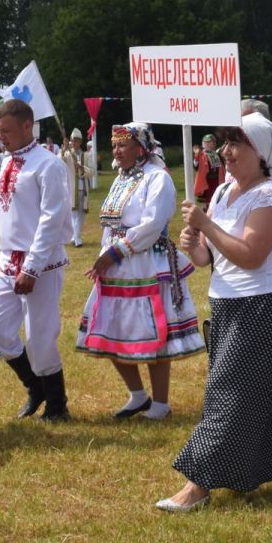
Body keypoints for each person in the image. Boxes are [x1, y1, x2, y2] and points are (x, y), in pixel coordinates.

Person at [160, 113, 272, 512]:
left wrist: (205, 222)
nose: (226, 151)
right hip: (226, 305)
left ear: (262, 153)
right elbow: (211, 257)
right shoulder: (223, 192)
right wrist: (194, 243)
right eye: (224, 142)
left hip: (264, 307)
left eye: (236, 143)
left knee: (229, 393)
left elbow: (251, 256)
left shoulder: (270, 196)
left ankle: (198, 484)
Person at [75, 122, 202, 419]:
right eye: (114, 145)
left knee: (152, 331)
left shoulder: (157, 178)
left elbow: (152, 224)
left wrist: (117, 251)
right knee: (108, 327)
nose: (116, 151)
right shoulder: (121, 177)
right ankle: (137, 395)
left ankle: (160, 404)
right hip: (115, 265)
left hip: (145, 262)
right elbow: (110, 223)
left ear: (140, 147)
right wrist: (104, 256)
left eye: (122, 145)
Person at [0, 97, 76, 420]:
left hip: (42, 261)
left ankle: (57, 403)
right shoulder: (8, 161)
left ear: (27, 126)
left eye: (6, 130)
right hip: (7, 258)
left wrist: (32, 267)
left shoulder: (48, 164)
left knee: (40, 335)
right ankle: (34, 386)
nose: (1, 137)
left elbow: (52, 219)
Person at [66, 127, 93, 248]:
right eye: (73, 140)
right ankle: (77, 239)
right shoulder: (67, 154)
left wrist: (81, 168)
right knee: (74, 214)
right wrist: (63, 150)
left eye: (77, 141)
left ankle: (75, 236)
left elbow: (92, 172)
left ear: (80, 142)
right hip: (71, 189)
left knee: (81, 215)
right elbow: (58, 162)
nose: (74, 143)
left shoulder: (86, 156)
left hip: (83, 188)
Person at [192, 134, 220, 206]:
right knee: (207, 199)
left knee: (216, 196)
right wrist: (196, 157)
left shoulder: (215, 153)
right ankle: (206, 210)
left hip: (216, 179)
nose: (208, 144)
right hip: (207, 180)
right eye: (206, 143)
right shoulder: (202, 154)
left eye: (210, 143)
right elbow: (196, 165)